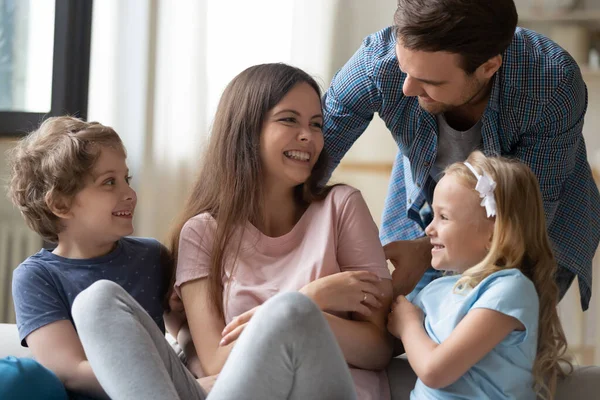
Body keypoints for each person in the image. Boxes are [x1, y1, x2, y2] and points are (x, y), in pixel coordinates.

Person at [322, 0, 600, 309]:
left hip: (527, 225)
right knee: (405, 332)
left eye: (430, 81)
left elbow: (524, 213)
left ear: (488, 67)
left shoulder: (551, 81)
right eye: (405, 69)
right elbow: (311, 156)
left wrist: (426, 249)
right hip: (427, 210)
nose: (407, 89)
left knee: (496, 340)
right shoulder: (377, 61)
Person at [170, 62, 394, 400]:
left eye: (316, 124)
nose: (309, 136)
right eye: (289, 119)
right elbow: (217, 361)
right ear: (246, 130)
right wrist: (310, 301)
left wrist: (296, 318)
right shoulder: (201, 233)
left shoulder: (342, 207)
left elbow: (378, 347)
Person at [7, 117, 183, 399]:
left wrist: (200, 375)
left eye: (127, 179)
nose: (130, 194)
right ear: (61, 204)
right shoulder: (37, 277)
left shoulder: (152, 255)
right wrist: (164, 381)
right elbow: (70, 371)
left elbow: (183, 331)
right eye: (109, 182)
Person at [387, 151, 570, 399]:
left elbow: (434, 371)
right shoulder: (436, 291)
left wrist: (408, 324)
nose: (429, 228)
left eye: (443, 217)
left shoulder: (510, 290)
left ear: (494, 235)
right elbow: (381, 348)